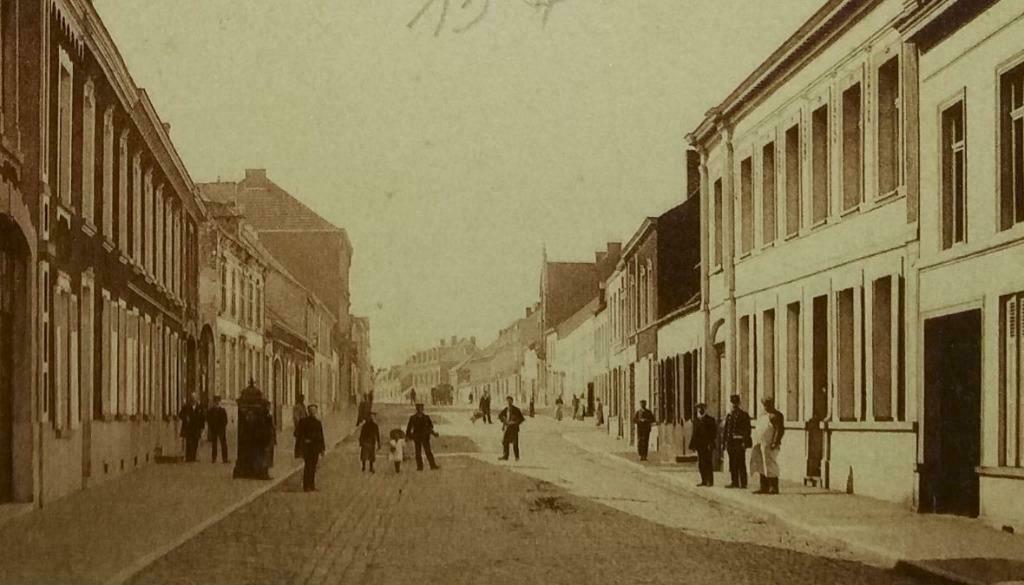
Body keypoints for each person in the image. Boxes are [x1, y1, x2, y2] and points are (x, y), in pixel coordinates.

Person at [750, 397, 785, 495]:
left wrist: (775, 442)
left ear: (772, 404)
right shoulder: (763, 415)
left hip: (770, 444)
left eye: (768, 404)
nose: (766, 406)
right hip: (761, 443)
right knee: (761, 464)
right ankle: (763, 487)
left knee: (770, 464)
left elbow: (779, 430)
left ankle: (773, 487)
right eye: (765, 404)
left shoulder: (776, 415)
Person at [723, 394, 752, 489]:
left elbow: (747, 430)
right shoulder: (729, 416)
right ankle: (734, 482)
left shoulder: (744, 415)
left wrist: (744, 442)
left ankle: (743, 483)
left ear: (739, 403)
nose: (734, 405)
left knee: (741, 463)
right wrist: (725, 442)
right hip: (731, 443)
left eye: (736, 403)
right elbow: (726, 430)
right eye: (732, 403)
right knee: (732, 463)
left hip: (739, 442)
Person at [295, 404, 326, 492]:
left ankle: (312, 485)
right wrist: (304, 440)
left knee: (313, 467)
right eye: (311, 410)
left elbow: (321, 437)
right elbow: (297, 434)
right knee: (308, 466)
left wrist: (322, 449)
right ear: (308, 412)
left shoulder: (318, 423)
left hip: (315, 448)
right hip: (307, 448)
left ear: (316, 411)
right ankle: (306, 486)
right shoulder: (303, 422)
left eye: (314, 410)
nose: (313, 412)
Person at [689, 402, 717, 487]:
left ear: (705, 409)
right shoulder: (696, 420)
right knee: (701, 463)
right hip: (700, 445)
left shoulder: (710, 420)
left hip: (707, 444)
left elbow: (713, 433)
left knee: (708, 462)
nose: (700, 410)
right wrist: (693, 445)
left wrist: (710, 443)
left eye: (702, 408)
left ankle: (710, 481)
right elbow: (694, 434)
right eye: (698, 408)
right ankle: (703, 480)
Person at [405, 403, 440, 471]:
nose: (420, 410)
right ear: (417, 409)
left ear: (423, 409)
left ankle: (432, 465)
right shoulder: (413, 418)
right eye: (418, 408)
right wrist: (407, 436)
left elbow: (430, 427)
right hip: (417, 437)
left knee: (428, 451)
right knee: (418, 452)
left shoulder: (426, 417)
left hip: (425, 437)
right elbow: (409, 428)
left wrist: (434, 433)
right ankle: (419, 467)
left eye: (421, 408)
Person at [178, 393, 204, 462]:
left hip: (196, 428)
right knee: (189, 443)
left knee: (195, 443)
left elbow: (202, 418)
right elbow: (180, 414)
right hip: (188, 428)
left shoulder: (199, 408)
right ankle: (188, 457)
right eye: (192, 398)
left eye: (194, 398)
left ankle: (193, 457)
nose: (193, 400)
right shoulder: (186, 407)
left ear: (196, 399)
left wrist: (202, 428)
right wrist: (185, 418)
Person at [498, 396, 525, 461]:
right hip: (507, 428)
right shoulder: (506, 409)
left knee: (515, 443)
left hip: (514, 429)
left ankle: (517, 457)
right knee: (505, 442)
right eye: (507, 401)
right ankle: (505, 456)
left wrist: (515, 422)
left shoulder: (516, 410)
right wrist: (504, 420)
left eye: (510, 401)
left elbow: (521, 419)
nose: (509, 403)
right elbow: (500, 415)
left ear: (512, 402)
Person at [206, 395, 229, 463]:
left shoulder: (222, 410)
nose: (217, 403)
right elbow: (208, 419)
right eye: (215, 402)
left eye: (218, 402)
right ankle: (214, 458)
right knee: (214, 444)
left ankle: (225, 458)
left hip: (221, 429)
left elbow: (225, 420)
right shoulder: (211, 411)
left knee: (223, 444)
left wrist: (223, 426)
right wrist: (211, 426)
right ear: (214, 403)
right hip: (214, 429)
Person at [292, 394, 308, 459]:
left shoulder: (303, 406)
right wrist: (299, 424)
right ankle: (297, 454)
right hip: (300, 426)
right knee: (298, 440)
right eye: (302, 398)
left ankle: (301, 452)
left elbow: (305, 414)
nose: (303, 400)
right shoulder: (297, 406)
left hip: (304, 425)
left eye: (303, 399)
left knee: (302, 440)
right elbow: (296, 417)